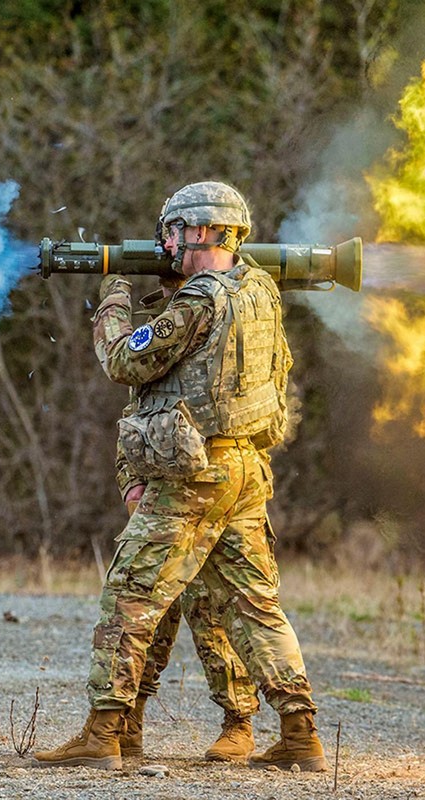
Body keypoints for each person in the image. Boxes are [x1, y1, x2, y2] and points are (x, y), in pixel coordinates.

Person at [33, 181, 328, 772]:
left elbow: (125, 360)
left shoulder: (198, 300)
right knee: (255, 605)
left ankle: (103, 733)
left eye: (172, 231)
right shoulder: (261, 291)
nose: (164, 243)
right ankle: (301, 737)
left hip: (194, 473)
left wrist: (114, 295)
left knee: (131, 595)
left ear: (200, 232)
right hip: (244, 468)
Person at [115, 285, 259, 764]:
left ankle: (239, 723)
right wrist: (130, 485)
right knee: (146, 616)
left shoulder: (221, 341)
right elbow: (132, 425)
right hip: (162, 496)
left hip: (213, 489)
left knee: (213, 611)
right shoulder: (159, 355)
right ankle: (126, 723)